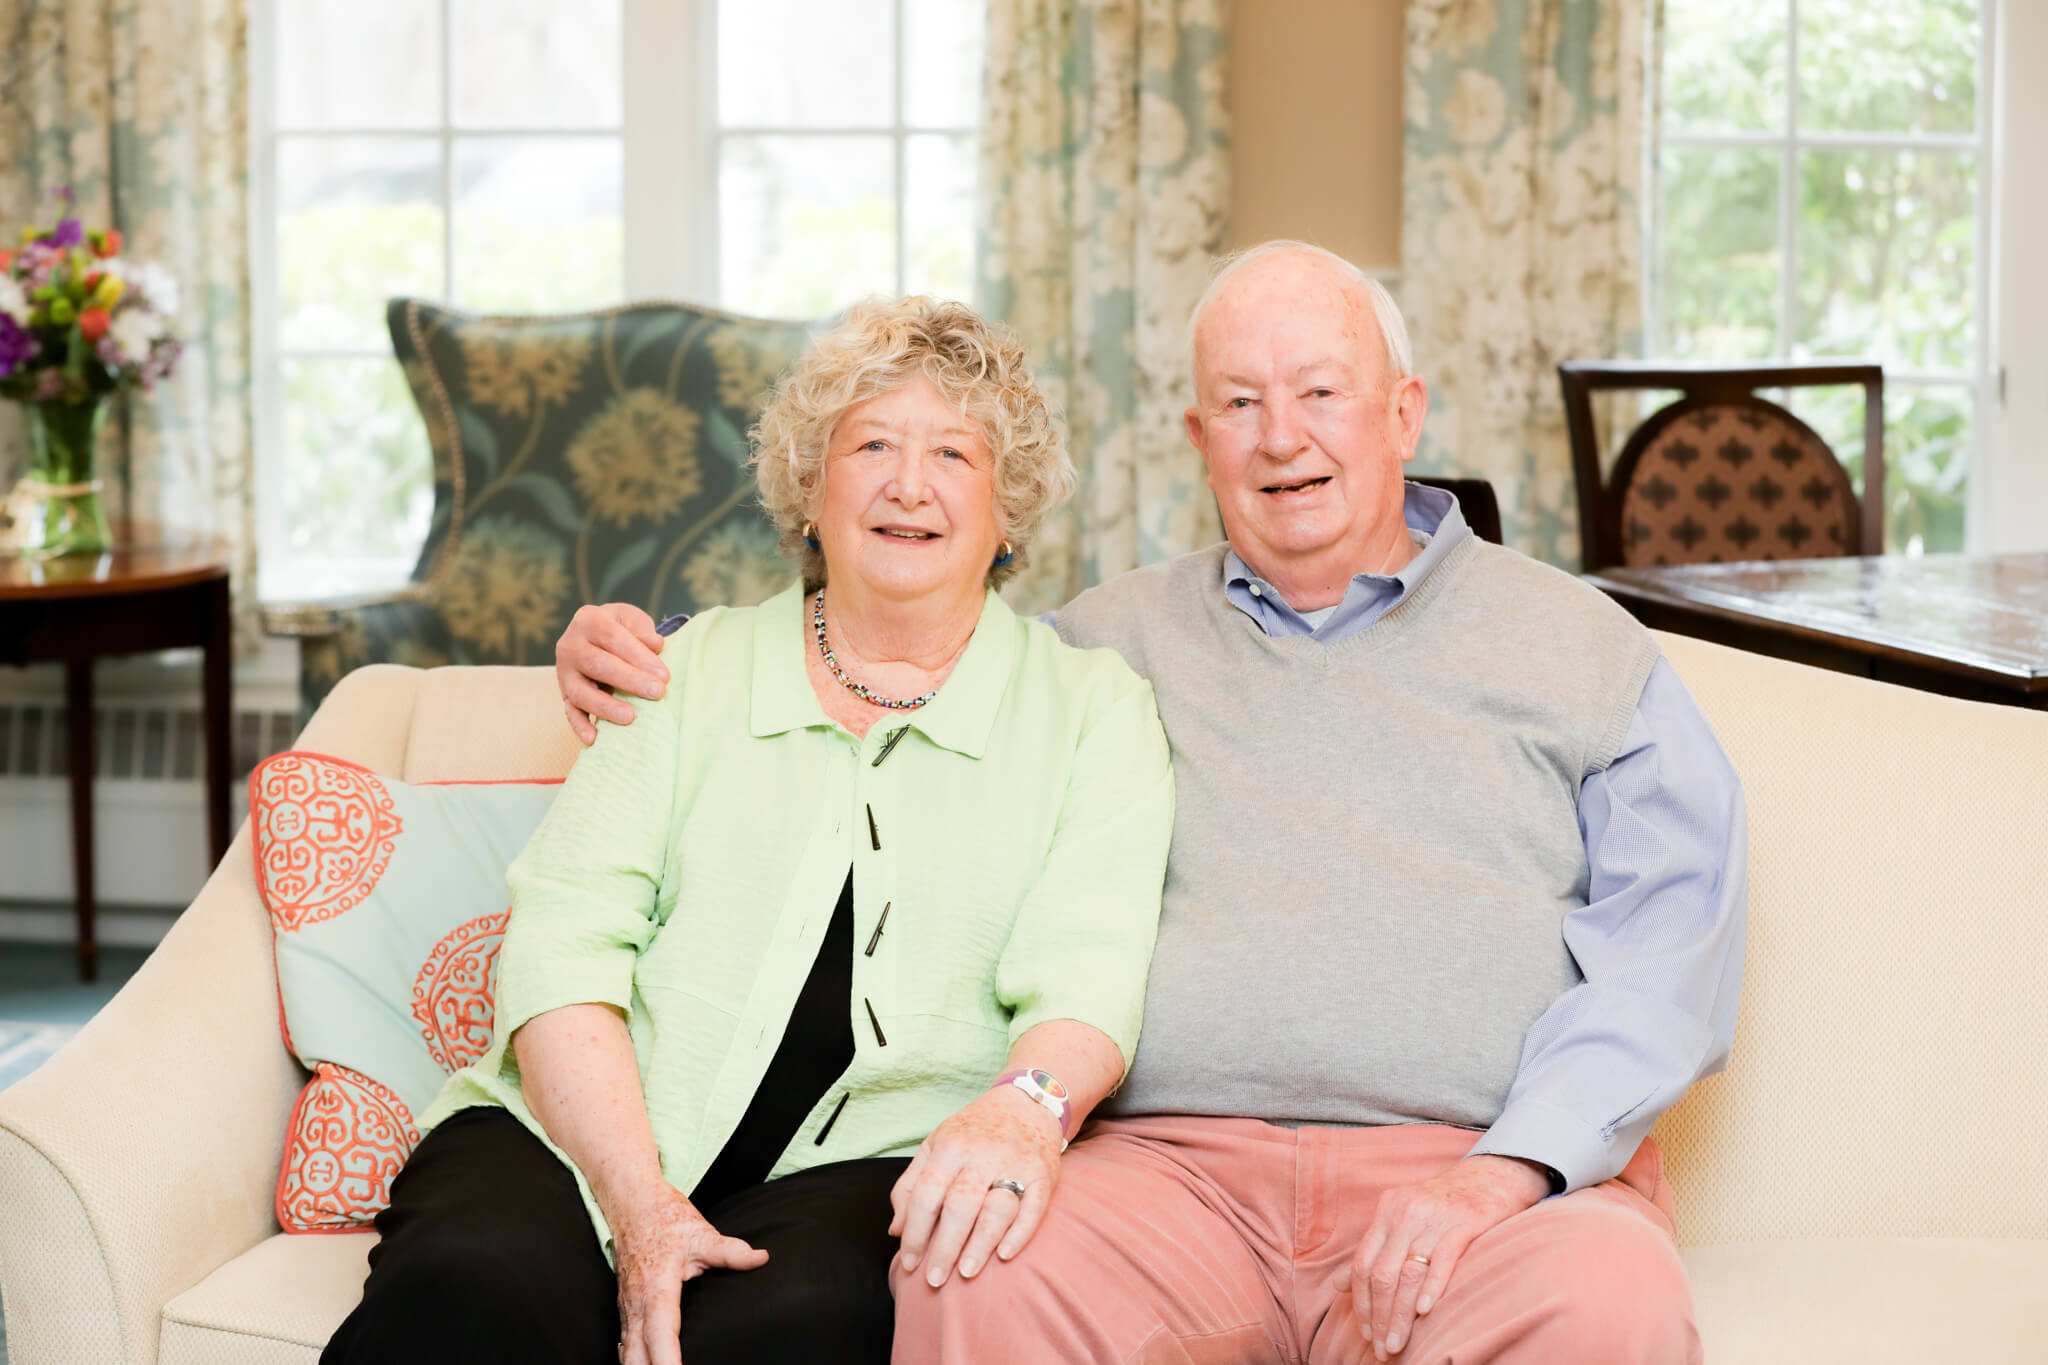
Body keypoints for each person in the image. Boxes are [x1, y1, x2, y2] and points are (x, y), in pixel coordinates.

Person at [556, 242, 1746, 1364]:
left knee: (1609, 1300)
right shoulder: (1100, 647)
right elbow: (893, 657)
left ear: (1403, 412)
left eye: (1320, 393)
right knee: (964, 1268)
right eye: (1238, 404)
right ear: (1196, 435)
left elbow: (1667, 955)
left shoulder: (1583, 648)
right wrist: (650, 654)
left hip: (1474, 1178)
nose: (1281, 439)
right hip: (1162, 1180)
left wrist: (1506, 1173)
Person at [322, 296, 1175, 1365]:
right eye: (869, 445)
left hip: (871, 1165)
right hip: (576, 1137)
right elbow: (564, 946)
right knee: (469, 1286)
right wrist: (637, 1200)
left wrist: (1020, 1114)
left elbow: (1086, 980)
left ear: (1006, 512)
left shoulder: (1090, 709)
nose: (908, 483)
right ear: (809, 492)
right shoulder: (672, 673)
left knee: (791, 1324)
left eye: (952, 453)